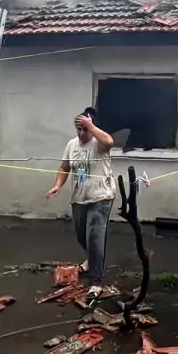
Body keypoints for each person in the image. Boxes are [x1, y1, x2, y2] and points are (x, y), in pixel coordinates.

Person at [45, 107, 115, 295]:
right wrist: (58, 185)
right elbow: (64, 167)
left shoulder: (99, 142)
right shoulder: (71, 145)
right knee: (81, 236)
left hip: (101, 196)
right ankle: (92, 259)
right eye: (79, 129)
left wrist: (91, 126)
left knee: (94, 238)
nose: (82, 133)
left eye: (85, 129)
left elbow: (109, 142)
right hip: (79, 197)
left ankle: (97, 282)